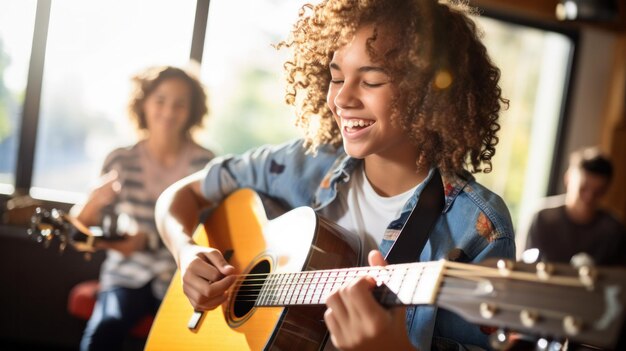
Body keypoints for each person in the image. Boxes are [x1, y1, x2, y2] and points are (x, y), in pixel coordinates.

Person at [155, 1, 515, 350]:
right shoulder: (306, 163)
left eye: (371, 80)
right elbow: (180, 196)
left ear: (430, 94)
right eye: (336, 76)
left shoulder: (477, 227)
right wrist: (187, 253)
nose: (341, 99)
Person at [72, 65, 215, 351]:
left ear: (192, 111)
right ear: (144, 104)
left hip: (181, 279)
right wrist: (92, 204)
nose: (168, 111)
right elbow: (80, 227)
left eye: (179, 104)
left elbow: (215, 228)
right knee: (105, 328)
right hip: (125, 276)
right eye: (160, 100)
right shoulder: (120, 161)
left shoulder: (207, 164)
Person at [526, 146, 626, 266]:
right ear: (568, 178)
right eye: (583, 188)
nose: (589, 197)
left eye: (598, 192)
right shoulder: (543, 218)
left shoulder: (613, 230)